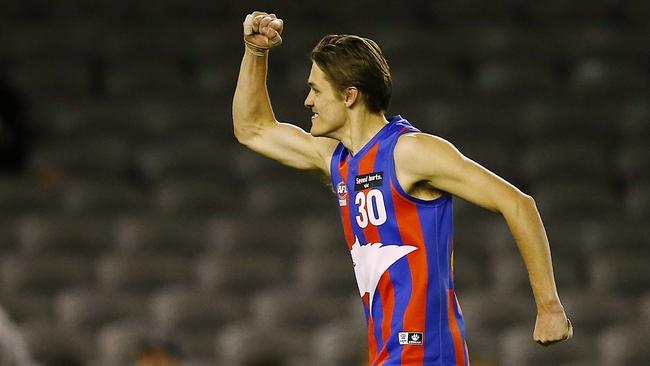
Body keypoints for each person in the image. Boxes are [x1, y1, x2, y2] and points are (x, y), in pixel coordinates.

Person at [233, 11, 573, 366]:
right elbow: (253, 128)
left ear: (349, 95)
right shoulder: (337, 160)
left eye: (316, 90)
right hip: (387, 356)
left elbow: (517, 203)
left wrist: (549, 306)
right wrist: (256, 52)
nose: (308, 101)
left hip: (429, 356)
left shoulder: (411, 151)